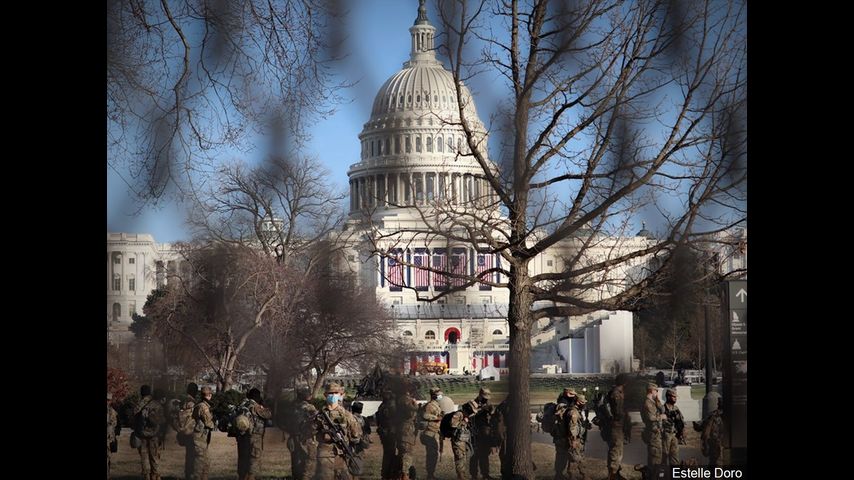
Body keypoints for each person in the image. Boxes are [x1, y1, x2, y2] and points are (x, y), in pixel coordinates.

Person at [314, 382, 362, 480]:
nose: (333, 395)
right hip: (325, 456)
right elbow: (309, 432)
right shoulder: (319, 416)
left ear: (340, 394)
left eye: (336, 393)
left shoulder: (347, 415)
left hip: (343, 455)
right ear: (325, 395)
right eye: (330, 393)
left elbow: (356, 436)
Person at [237, 388, 272, 480]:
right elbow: (268, 415)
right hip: (254, 437)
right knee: (253, 461)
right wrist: (263, 405)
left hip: (242, 437)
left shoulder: (242, 405)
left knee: (243, 460)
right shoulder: (255, 406)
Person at [135, 384, 165, 480]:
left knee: (144, 457)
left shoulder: (139, 404)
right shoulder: (156, 403)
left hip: (142, 434)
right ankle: (155, 476)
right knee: (154, 457)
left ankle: (146, 476)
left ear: (141, 393)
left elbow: (134, 417)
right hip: (154, 435)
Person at [288, 386, 319, 480]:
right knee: (311, 458)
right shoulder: (309, 407)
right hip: (305, 438)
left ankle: (296, 477)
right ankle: (306, 477)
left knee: (296, 459)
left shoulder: (292, 406)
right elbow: (317, 418)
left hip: (293, 437)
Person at [605, 373, 631, 480]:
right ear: (624, 382)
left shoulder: (617, 392)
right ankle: (613, 474)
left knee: (618, 450)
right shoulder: (616, 393)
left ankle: (616, 472)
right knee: (616, 449)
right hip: (616, 425)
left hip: (618, 425)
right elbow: (618, 412)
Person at [551, 389, 577, 480]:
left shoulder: (565, 403)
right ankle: (558, 475)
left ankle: (559, 474)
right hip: (561, 436)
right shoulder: (562, 404)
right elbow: (562, 420)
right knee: (561, 456)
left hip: (561, 435)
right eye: (572, 395)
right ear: (567, 394)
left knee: (562, 456)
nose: (573, 397)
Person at [641, 383, 665, 476]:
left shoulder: (653, 402)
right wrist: (661, 417)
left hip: (656, 433)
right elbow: (651, 417)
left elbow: (662, 409)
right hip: (653, 433)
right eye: (656, 391)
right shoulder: (647, 403)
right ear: (652, 391)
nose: (657, 393)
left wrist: (657, 400)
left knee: (657, 457)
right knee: (655, 458)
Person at [450, 401, 478, 480]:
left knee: (463, 459)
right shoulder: (459, 414)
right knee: (460, 458)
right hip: (457, 441)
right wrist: (463, 422)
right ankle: (461, 477)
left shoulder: (466, 415)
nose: (472, 413)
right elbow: (453, 425)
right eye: (472, 410)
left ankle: (462, 476)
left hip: (463, 440)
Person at [420, 387, 444, 480]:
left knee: (433, 454)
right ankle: (430, 475)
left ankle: (431, 474)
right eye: (438, 395)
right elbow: (425, 415)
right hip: (429, 433)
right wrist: (436, 418)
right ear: (434, 395)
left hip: (434, 432)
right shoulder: (430, 405)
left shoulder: (436, 405)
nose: (440, 396)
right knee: (432, 454)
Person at [470, 388, 494, 480]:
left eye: (487, 398)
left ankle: (485, 474)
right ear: (479, 395)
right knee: (474, 455)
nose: (486, 399)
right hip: (475, 433)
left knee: (485, 454)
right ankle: (474, 475)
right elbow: (468, 415)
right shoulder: (472, 403)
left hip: (486, 433)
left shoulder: (488, 404)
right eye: (484, 397)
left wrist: (490, 412)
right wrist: (481, 410)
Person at [192, 386, 215, 480]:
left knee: (205, 462)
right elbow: (209, 423)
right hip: (200, 438)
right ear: (209, 395)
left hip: (201, 437)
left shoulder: (201, 405)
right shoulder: (203, 406)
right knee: (200, 463)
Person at [565, 394, 589, 480]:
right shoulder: (574, 412)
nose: (584, 404)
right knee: (576, 458)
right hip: (574, 439)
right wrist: (574, 440)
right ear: (578, 402)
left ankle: (579, 475)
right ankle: (582, 476)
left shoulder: (577, 411)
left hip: (577, 439)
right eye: (583, 402)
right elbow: (572, 427)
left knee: (575, 458)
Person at [696, 398, 724, 466]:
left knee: (714, 461)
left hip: (715, 441)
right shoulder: (714, 415)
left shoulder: (713, 414)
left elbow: (701, 426)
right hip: (717, 441)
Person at [179, 383, 199, 480]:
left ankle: (188, 474)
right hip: (191, 432)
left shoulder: (184, 401)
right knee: (192, 456)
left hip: (184, 432)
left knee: (189, 456)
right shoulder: (192, 404)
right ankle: (190, 475)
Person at [661, 388, 685, 466]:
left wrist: (681, 433)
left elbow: (681, 421)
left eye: (676, 397)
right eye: (673, 397)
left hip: (674, 435)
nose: (675, 398)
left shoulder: (676, 408)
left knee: (674, 457)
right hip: (665, 435)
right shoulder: (662, 409)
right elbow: (657, 422)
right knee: (664, 456)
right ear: (668, 397)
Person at [107, 391, 118, 479]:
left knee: (108, 458)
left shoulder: (113, 412)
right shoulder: (112, 411)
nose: (107, 401)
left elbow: (115, 425)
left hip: (109, 438)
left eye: (109, 400)